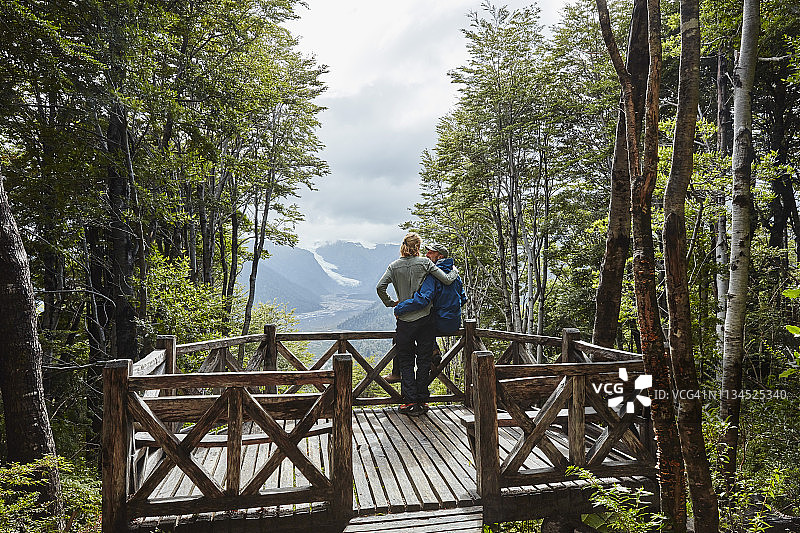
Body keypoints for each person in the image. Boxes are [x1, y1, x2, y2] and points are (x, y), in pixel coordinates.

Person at [376, 232, 458, 416]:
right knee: (423, 361)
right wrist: (454, 271)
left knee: (406, 362)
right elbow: (446, 279)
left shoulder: (393, 267)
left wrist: (391, 303)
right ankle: (423, 400)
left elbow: (380, 287)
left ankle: (409, 402)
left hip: (404, 321)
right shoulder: (425, 263)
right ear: (418, 247)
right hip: (425, 320)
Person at [394, 243, 466, 372]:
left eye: (431, 252)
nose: (426, 255)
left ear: (440, 256)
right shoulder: (456, 275)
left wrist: (400, 308)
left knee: (412, 327)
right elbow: (463, 299)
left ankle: (399, 370)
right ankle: (433, 349)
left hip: (438, 323)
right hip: (454, 323)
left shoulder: (432, 275)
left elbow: (422, 300)